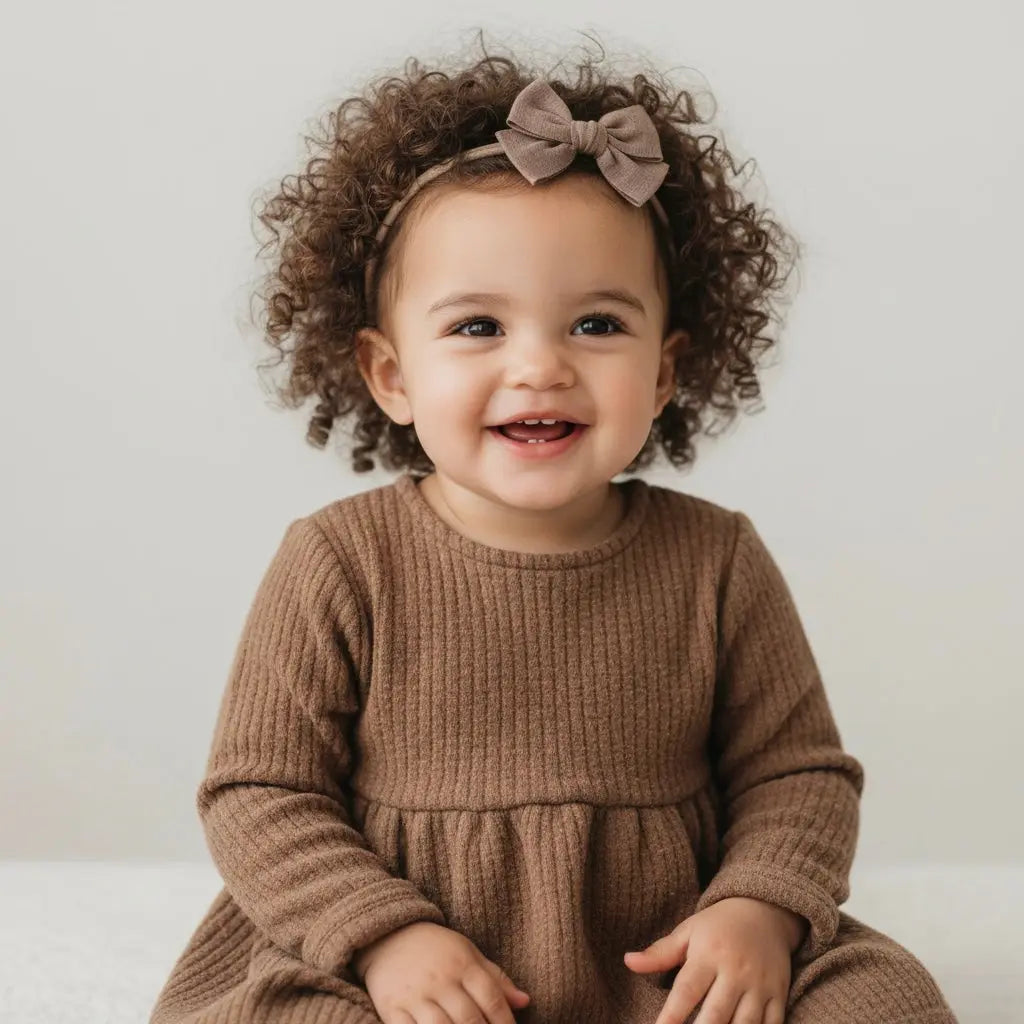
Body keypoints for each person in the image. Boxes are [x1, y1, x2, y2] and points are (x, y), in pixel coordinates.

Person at [149, 33, 959, 1024]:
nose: (540, 366)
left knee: (887, 1002)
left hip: (664, 959)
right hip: (405, 973)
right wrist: (380, 934)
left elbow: (795, 773)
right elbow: (259, 791)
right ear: (390, 374)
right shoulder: (339, 561)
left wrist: (755, 908)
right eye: (479, 327)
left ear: (663, 372)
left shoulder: (715, 558)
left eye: (596, 324)